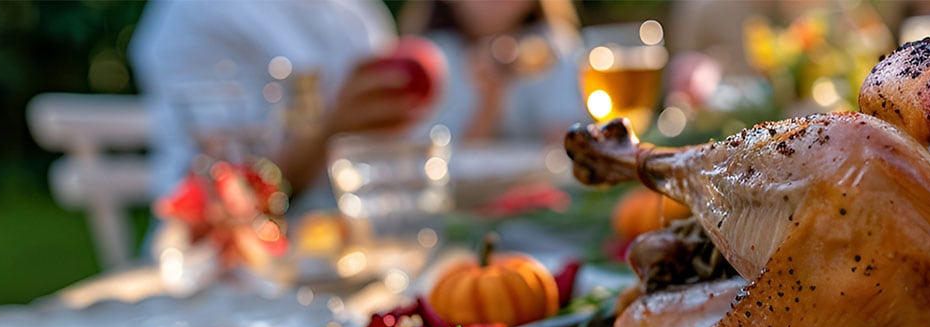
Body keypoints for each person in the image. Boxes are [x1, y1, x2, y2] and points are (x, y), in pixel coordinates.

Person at [130, 0, 430, 214]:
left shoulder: (357, 15)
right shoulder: (197, 12)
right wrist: (333, 129)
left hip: (349, 252)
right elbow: (222, 202)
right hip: (215, 274)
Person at [397, 0, 587, 147]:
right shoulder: (429, 58)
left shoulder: (556, 47)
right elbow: (441, 162)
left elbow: (565, 145)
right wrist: (490, 99)